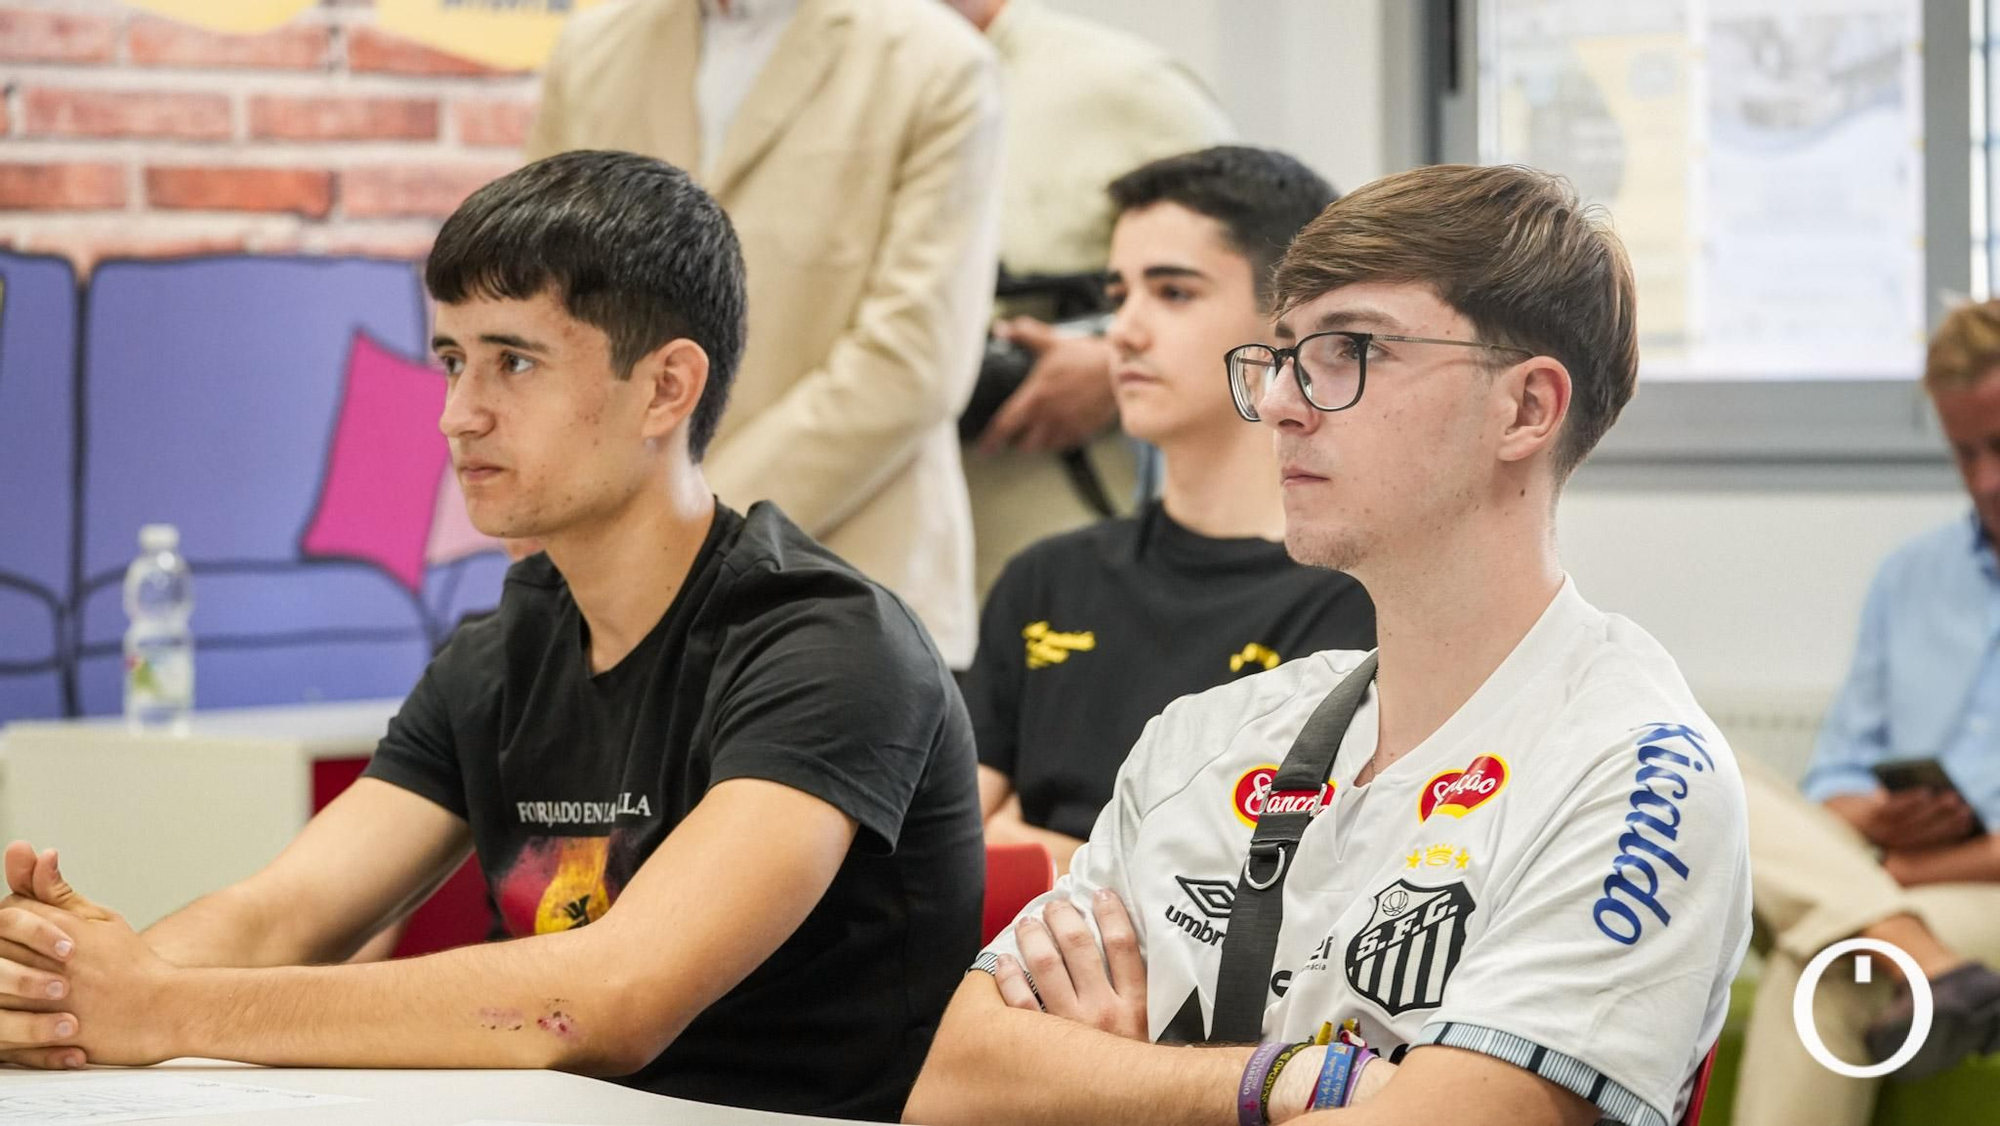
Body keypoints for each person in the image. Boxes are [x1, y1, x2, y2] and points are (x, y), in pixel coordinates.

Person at [0, 151, 984, 1123]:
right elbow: (280, 914)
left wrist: (162, 1006)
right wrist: (61, 993)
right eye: (451, 361)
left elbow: (613, 995)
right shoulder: (500, 653)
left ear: (665, 389)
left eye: (513, 362)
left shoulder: (828, 644)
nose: (455, 416)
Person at [905, 163, 1753, 1126]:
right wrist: (1297, 1082)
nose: (1280, 402)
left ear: (1526, 409)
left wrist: (1117, 1085)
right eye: (1282, 355)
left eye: (1352, 350)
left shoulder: (1636, 771)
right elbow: (955, 1082)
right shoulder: (1208, 738)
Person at [525, 0, 1003, 667]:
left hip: (845, 588)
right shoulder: (592, 50)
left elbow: (914, 360)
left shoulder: (935, 61)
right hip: (606, 604)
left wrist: (684, 526)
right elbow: (536, 305)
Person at [968, 147, 1375, 874]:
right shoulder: (1046, 579)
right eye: (1119, 294)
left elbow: (1273, 884)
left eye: (1173, 292)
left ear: (1290, 326)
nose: (1124, 330)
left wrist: (1047, 852)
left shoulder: (1357, 599)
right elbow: (954, 852)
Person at [1733, 298, 2000, 1126]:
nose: (1985, 481)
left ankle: (1890, 931)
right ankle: (1917, 951)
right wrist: (1878, 818)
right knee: (1696, 762)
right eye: (1964, 453)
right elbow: (1835, 781)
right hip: (1879, 870)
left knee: (1827, 971)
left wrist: (1901, 876)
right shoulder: (1909, 578)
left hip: (1972, 888)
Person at [944, 0, 1234, 594]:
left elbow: (1266, 286)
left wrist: (1112, 363)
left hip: (1061, 536)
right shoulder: (827, 86)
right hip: (860, 538)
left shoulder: (1129, 89)